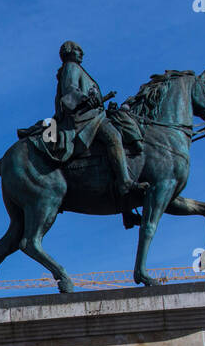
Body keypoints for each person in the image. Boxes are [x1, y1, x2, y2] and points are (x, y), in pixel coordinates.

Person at [54, 40, 142, 226]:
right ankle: (125, 182)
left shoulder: (78, 69)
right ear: (69, 52)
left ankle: (125, 207)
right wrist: (87, 100)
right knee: (114, 137)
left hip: (94, 115)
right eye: (78, 50)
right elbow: (69, 92)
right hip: (84, 119)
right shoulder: (70, 67)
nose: (82, 53)